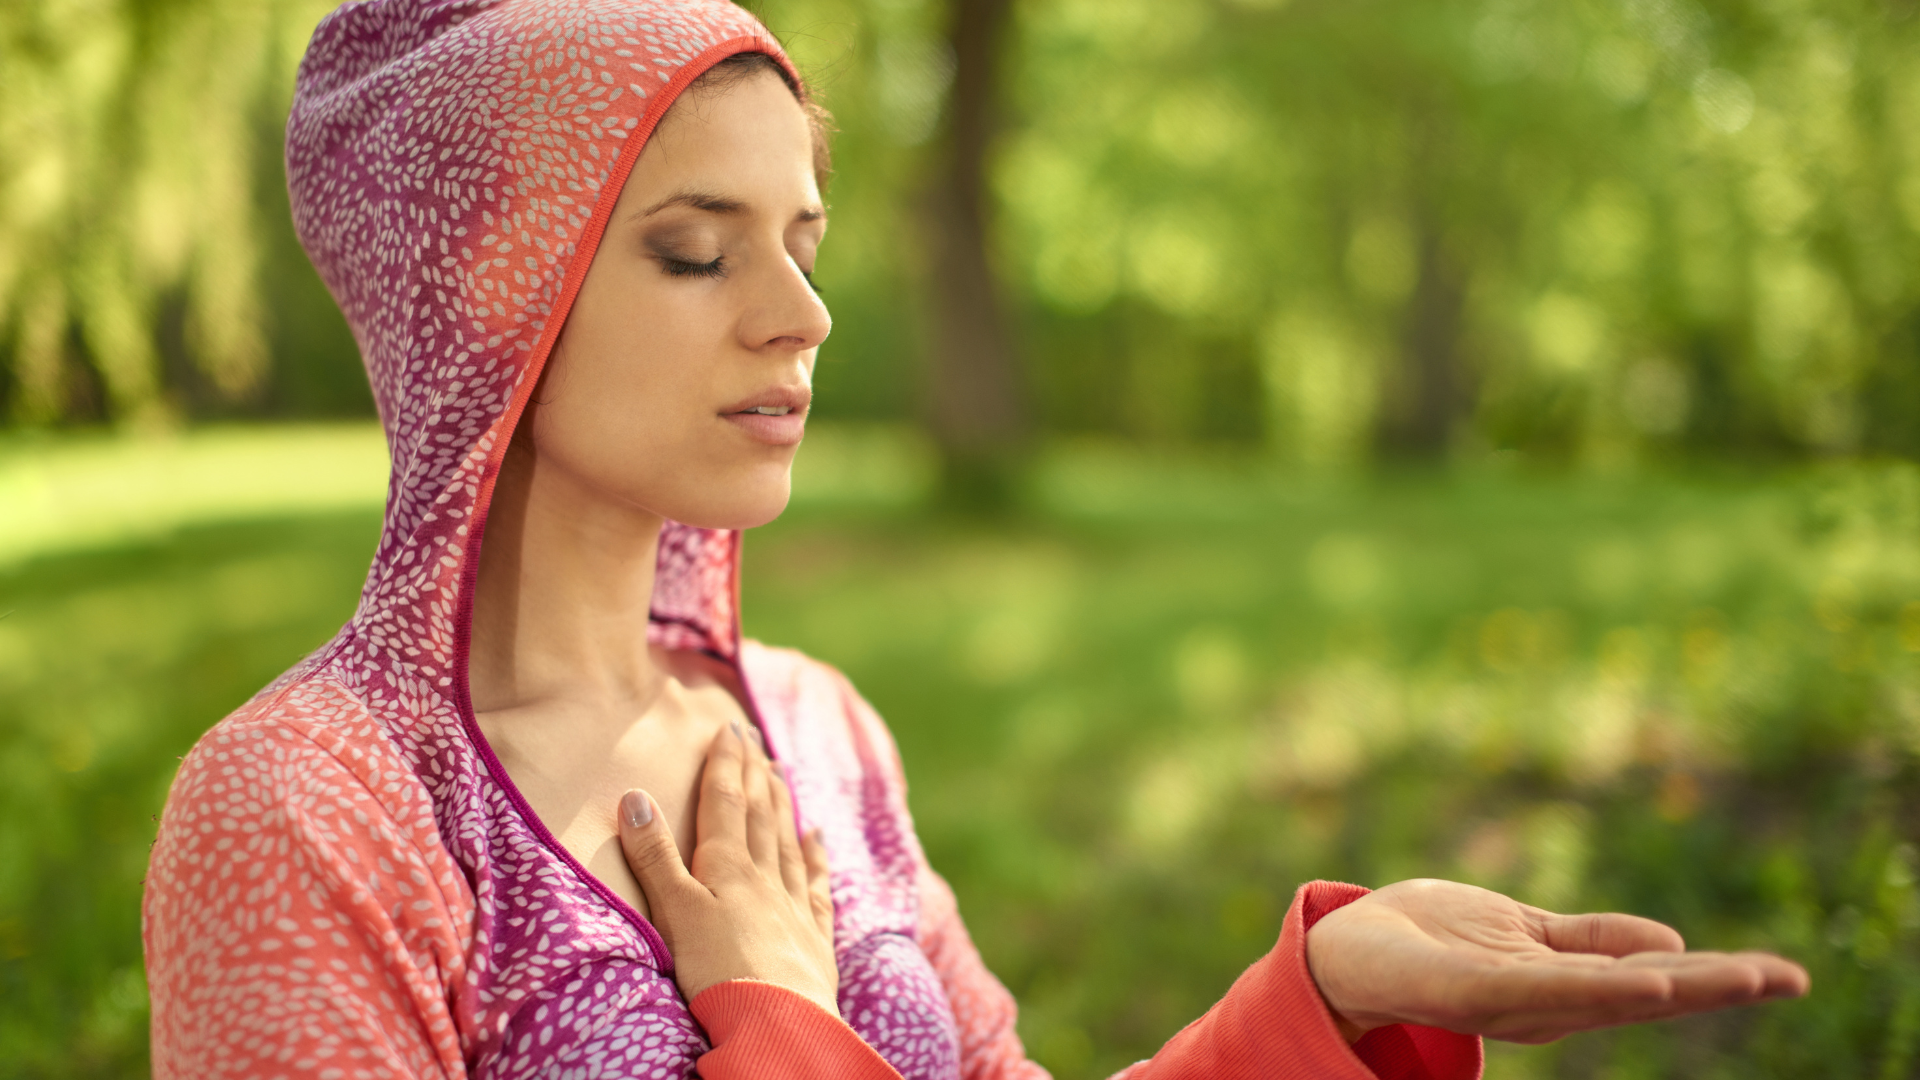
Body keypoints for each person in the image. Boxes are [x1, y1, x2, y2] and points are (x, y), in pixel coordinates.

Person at [141, 1, 1808, 1077]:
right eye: (693, 251)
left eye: (801, 237)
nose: (803, 314)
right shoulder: (307, 816)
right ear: (481, 303)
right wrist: (778, 1025)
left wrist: (1325, 1003)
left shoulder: (816, 729)